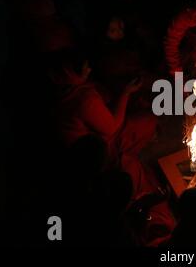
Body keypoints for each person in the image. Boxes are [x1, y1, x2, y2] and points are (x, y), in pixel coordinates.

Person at [47, 48, 158, 197]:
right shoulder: (84, 100)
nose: (89, 69)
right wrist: (126, 93)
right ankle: (125, 156)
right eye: (86, 68)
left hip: (83, 146)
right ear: (75, 73)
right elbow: (111, 128)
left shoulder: (62, 87)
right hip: (95, 152)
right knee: (147, 122)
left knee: (139, 107)